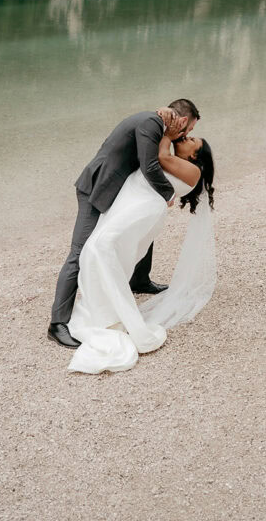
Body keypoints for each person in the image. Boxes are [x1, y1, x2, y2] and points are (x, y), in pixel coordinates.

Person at [47, 99, 200, 349]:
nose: (186, 136)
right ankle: (57, 324)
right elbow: (149, 165)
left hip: (114, 190)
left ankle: (139, 280)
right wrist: (168, 195)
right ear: (182, 122)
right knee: (80, 251)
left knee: (143, 230)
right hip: (97, 190)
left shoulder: (156, 126)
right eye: (188, 130)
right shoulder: (151, 123)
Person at [67, 128, 216, 373]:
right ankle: (105, 304)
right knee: (109, 252)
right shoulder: (183, 163)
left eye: (191, 141)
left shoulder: (194, 170)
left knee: (105, 248)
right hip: (137, 205)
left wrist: (167, 133)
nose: (186, 139)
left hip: (145, 209)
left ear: (195, 156)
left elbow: (161, 159)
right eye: (189, 135)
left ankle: (114, 311)